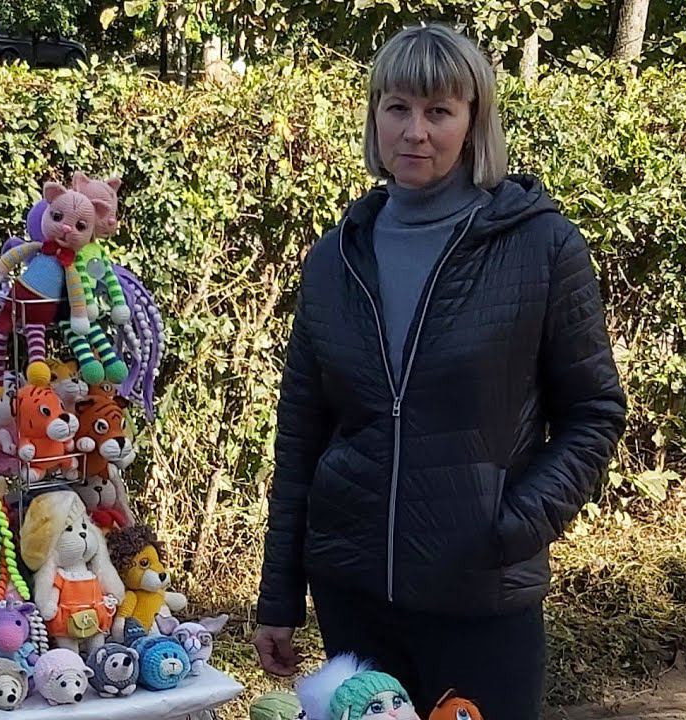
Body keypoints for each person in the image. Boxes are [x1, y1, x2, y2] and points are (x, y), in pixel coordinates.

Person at [252, 23, 627, 719]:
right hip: (354, 597)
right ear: (375, 116)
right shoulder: (335, 259)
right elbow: (301, 435)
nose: (415, 131)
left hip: (481, 598)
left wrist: (511, 526)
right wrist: (279, 598)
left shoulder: (542, 246)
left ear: (473, 122)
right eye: (397, 107)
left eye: (439, 111)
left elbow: (593, 412)